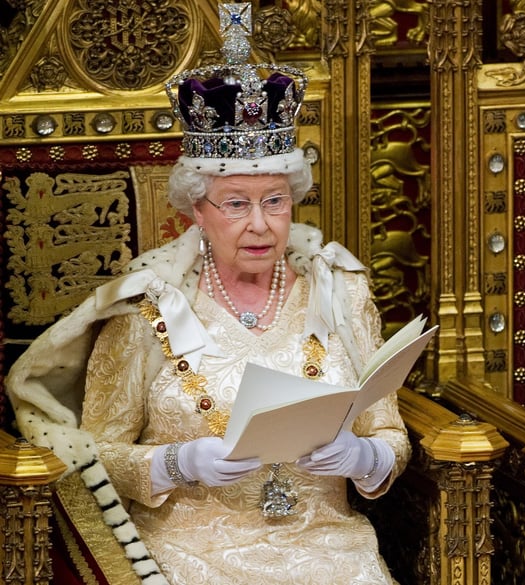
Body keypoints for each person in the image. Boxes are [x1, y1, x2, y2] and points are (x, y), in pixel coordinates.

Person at [5, 8, 410, 584]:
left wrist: (366, 458)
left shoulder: (341, 292)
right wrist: (174, 463)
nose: (261, 226)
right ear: (197, 210)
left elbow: (389, 432)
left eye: (275, 201)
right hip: (189, 553)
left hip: (331, 549)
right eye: (236, 203)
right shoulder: (146, 308)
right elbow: (95, 455)